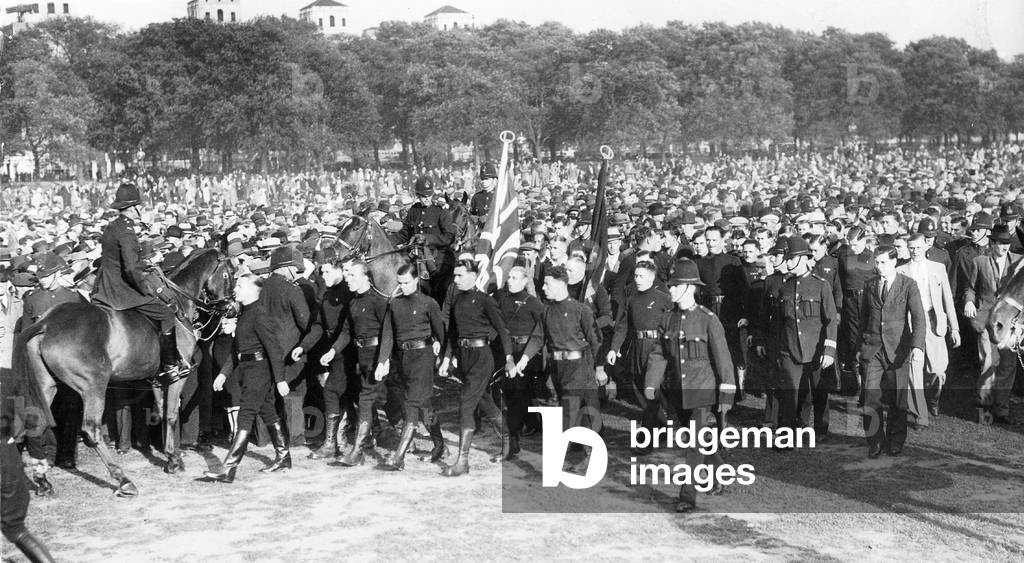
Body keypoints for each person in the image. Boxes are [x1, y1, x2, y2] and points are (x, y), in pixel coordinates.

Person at [645, 258, 734, 513]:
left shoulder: (708, 320)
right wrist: (651, 383)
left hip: (703, 391)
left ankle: (687, 495)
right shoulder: (668, 319)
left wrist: (726, 396)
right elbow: (659, 354)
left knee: (694, 446)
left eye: (675, 285)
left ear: (689, 287)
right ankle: (720, 472)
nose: (670, 290)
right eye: (670, 285)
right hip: (678, 393)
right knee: (697, 442)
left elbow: (724, 361)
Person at [91, 183, 188, 378]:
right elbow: (130, 268)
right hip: (121, 290)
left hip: (105, 285)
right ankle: (169, 365)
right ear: (133, 207)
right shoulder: (127, 230)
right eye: (140, 206)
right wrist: (144, 288)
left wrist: (144, 262)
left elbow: (120, 260)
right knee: (167, 313)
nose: (141, 210)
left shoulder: (112, 226)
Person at [205, 274, 290, 483]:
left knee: (246, 414)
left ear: (253, 291)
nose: (235, 289)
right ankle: (284, 457)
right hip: (247, 369)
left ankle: (229, 468)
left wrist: (280, 379)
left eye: (240, 286)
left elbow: (275, 349)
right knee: (268, 411)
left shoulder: (260, 314)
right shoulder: (244, 314)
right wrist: (223, 374)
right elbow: (236, 351)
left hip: (259, 371)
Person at [438, 260, 515, 475]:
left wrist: (508, 358)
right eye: (455, 275)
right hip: (464, 358)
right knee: (485, 401)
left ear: (473, 276)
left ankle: (462, 462)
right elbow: (453, 334)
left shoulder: (484, 300)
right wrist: (446, 358)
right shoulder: (456, 300)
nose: (455, 280)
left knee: (466, 404)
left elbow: (502, 329)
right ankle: (510, 440)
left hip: (482, 357)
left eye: (460, 275)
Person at [377, 264, 447, 471]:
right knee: (424, 406)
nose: (403, 287)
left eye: (407, 283)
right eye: (399, 283)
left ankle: (398, 458)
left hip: (422, 358)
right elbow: (388, 335)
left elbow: (441, 333)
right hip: (402, 359)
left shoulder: (428, 303)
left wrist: (444, 354)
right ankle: (440, 444)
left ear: (416, 280)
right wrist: (383, 361)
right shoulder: (394, 304)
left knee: (411, 403)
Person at [858, 245, 926, 457]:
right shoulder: (869, 285)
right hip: (873, 349)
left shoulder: (908, 285)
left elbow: (918, 318)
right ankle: (875, 441)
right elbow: (863, 317)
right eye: (876, 262)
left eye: (883, 262)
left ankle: (896, 440)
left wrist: (917, 346)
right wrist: (861, 345)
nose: (879, 267)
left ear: (894, 262)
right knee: (870, 397)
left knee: (898, 400)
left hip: (898, 351)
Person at [20, 253, 84, 471]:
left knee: (70, 408)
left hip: (69, 364)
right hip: (41, 366)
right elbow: (25, 333)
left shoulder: (72, 298)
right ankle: (47, 453)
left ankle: (68, 455)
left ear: (57, 274)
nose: (43, 280)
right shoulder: (32, 299)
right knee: (44, 410)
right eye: (41, 276)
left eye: (47, 275)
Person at [772, 236, 838, 442]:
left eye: (791, 259)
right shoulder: (784, 287)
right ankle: (788, 435)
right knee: (789, 393)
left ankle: (820, 429)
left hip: (816, 349)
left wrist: (829, 350)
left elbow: (830, 320)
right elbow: (779, 324)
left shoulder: (821, 286)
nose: (788, 262)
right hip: (790, 350)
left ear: (803, 259)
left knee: (819, 392)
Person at [540, 265, 602, 474]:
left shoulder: (580, 310)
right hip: (559, 369)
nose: (543, 287)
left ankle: (580, 458)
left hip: (580, 369)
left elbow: (595, 341)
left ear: (560, 284)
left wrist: (599, 368)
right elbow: (539, 338)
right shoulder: (546, 310)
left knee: (575, 412)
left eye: (547, 283)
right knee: (575, 414)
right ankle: (586, 453)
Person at [606, 260, 672, 452]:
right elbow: (623, 326)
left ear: (652, 277)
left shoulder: (663, 298)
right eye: (635, 276)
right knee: (639, 388)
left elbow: (671, 324)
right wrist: (613, 348)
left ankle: (646, 440)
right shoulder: (632, 299)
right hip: (636, 347)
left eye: (641, 276)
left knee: (650, 392)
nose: (637, 279)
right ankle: (661, 426)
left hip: (656, 349)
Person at [964, 224, 1022, 424]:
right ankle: (985, 406)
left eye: (1008, 242)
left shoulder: (1018, 263)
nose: (1005, 246)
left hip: (1009, 322)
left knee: (1008, 365)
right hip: (986, 319)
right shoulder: (979, 262)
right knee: (988, 362)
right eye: (1001, 243)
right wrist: (969, 301)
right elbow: (970, 288)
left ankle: (1002, 410)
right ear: (992, 243)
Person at [898, 234, 959, 423]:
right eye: (911, 247)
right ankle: (917, 412)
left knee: (938, 370)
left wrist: (954, 327)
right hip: (911, 321)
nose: (914, 251)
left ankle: (933, 399)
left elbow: (947, 299)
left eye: (917, 247)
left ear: (926, 246)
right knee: (914, 368)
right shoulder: (901, 270)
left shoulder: (938, 268)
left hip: (934, 320)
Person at [260, 246, 311, 452]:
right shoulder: (292, 290)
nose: (296, 273)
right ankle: (296, 436)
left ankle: (264, 438)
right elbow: (305, 321)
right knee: (295, 392)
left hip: (265, 348)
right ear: (288, 267)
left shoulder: (262, 287)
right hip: (290, 351)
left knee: (268, 394)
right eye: (295, 269)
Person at [494, 266, 545, 458]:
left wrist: (532, 356)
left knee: (518, 396)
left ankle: (512, 443)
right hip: (506, 351)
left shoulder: (533, 303)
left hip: (526, 354)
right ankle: (534, 424)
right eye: (509, 277)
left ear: (525, 281)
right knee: (508, 394)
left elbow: (542, 329)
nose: (510, 281)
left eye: (515, 278)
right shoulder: (501, 300)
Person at [398, 177, 457, 303]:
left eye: (429, 195)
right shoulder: (414, 210)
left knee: (440, 289)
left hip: (437, 258)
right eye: (423, 196)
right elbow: (404, 234)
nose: (426, 198)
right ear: (417, 195)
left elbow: (448, 237)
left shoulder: (441, 211)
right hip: (414, 256)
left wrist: (427, 238)